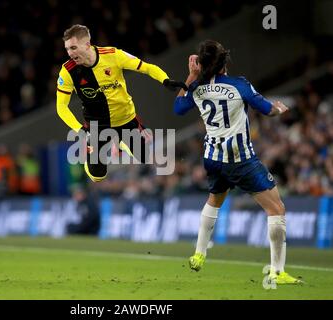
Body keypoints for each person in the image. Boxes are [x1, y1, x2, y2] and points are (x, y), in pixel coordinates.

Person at [174, 40, 302, 285]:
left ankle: (199, 254)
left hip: (212, 158)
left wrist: (190, 77)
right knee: (277, 210)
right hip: (240, 160)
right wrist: (279, 109)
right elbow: (266, 109)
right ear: (224, 63)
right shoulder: (239, 85)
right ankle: (277, 272)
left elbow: (178, 108)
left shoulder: (197, 88)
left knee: (214, 199)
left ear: (200, 64)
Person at [56, 24, 186, 182]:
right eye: (68, 49)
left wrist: (165, 79)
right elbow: (61, 107)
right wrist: (80, 130)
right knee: (98, 177)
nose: (70, 53)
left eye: (74, 48)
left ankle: (120, 143)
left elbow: (146, 67)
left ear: (87, 44)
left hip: (126, 119)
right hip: (97, 126)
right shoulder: (67, 71)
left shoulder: (113, 55)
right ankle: (100, 152)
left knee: (145, 158)